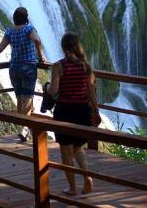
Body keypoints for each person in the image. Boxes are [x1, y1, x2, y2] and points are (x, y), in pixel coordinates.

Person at [0, 7, 46, 141]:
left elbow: (0, 47)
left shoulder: (10, 31)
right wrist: (40, 57)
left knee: (20, 99)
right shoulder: (29, 29)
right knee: (27, 99)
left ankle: (24, 130)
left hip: (14, 68)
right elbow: (37, 40)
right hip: (27, 67)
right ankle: (25, 128)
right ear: (26, 18)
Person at [47, 32, 101, 196]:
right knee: (78, 147)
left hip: (65, 112)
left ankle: (72, 188)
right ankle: (87, 178)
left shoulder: (58, 66)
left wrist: (48, 87)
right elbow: (91, 92)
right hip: (82, 112)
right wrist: (96, 110)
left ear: (63, 47)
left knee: (66, 152)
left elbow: (53, 91)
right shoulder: (86, 66)